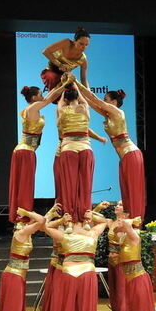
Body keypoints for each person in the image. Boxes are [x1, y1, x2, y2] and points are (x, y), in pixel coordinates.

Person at [43, 210, 108, 311]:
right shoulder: (92, 232)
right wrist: (93, 213)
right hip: (86, 273)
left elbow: (43, 226)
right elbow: (105, 221)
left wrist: (59, 220)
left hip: (68, 274)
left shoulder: (65, 235)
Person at [75, 81, 146, 219]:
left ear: (113, 102)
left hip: (131, 154)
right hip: (125, 157)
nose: (103, 102)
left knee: (133, 190)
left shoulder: (118, 112)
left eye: (106, 100)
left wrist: (75, 81)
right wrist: (78, 84)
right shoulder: (109, 115)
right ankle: (130, 221)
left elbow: (94, 99)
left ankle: (136, 223)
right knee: (126, 191)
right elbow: (90, 102)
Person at [98, 201, 156, 311]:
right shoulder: (122, 236)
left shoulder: (135, 235)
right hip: (128, 278)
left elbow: (127, 224)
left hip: (138, 278)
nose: (119, 222)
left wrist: (129, 220)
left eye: (121, 207)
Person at [9, 83, 68, 223]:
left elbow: (47, 97)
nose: (43, 96)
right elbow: (48, 100)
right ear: (35, 97)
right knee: (25, 184)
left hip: (25, 151)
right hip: (25, 151)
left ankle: (22, 213)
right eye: (41, 94)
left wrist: (60, 84)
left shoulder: (32, 108)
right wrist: (64, 86)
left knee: (24, 183)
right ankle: (22, 216)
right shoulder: (33, 108)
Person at [0, 208, 45, 311]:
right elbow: (41, 221)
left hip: (19, 277)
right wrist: (27, 211)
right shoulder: (21, 233)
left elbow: (42, 221)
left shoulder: (26, 232)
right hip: (13, 276)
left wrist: (53, 214)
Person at [54, 83, 94, 225]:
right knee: (85, 185)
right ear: (78, 96)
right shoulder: (84, 108)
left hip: (68, 147)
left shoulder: (63, 110)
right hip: (85, 147)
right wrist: (75, 83)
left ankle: (69, 220)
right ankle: (86, 220)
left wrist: (64, 87)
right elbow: (83, 99)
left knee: (69, 185)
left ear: (65, 98)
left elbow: (59, 103)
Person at [40, 27, 90, 92]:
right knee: (53, 78)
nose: (84, 47)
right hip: (50, 72)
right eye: (81, 44)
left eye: (86, 45)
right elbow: (45, 51)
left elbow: (83, 79)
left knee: (75, 92)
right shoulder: (66, 43)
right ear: (74, 41)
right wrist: (60, 65)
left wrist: (88, 91)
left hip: (64, 78)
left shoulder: (83, 60)